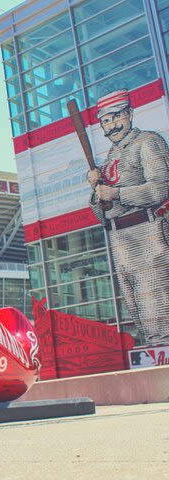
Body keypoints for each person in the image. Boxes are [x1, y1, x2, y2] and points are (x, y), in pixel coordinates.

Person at [87, 89, 169, 346]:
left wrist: (116, 192)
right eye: (106, 121)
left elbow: (161, 187)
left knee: (157, 310)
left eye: (116, 117)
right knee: (138, 311)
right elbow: (102, 214)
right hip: (120, 239)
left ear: (130, 114)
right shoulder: (112, 156)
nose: (112, 125)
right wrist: (97, 191)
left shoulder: (147, 142)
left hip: (146, 231)